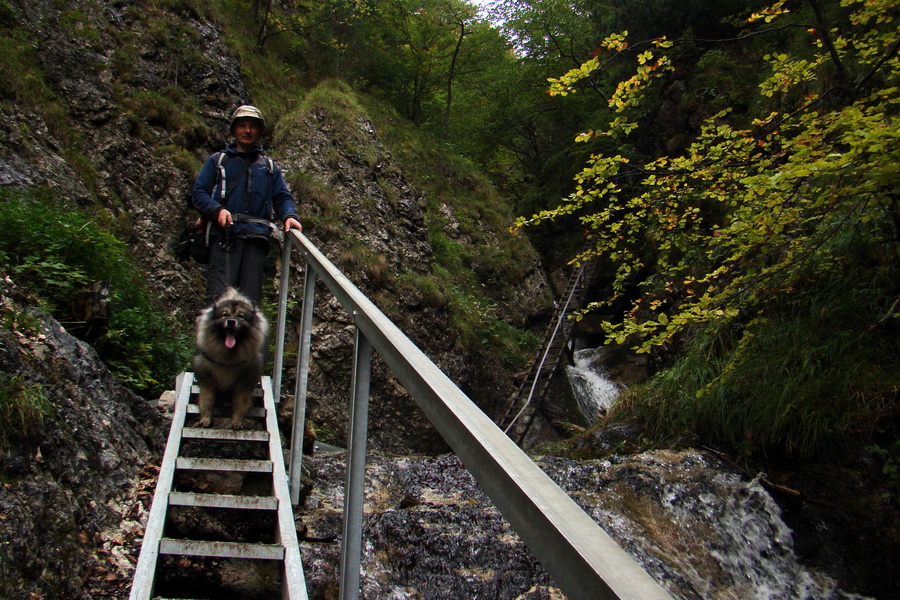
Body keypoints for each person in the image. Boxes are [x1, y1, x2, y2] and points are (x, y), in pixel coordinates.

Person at [192, 105, 302, 306]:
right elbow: (199, 194)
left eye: (252, 126)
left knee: (250, 305)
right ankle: (216, 339)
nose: (247, 130)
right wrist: (217, 210)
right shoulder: (218, 162)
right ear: (234, 131)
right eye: (242, 126)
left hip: (255, 241)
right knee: (218, 303)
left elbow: (282, 196)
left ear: (259, 131)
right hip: (223, 238)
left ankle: (244, 339)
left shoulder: (269, 168)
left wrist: (289, 216)